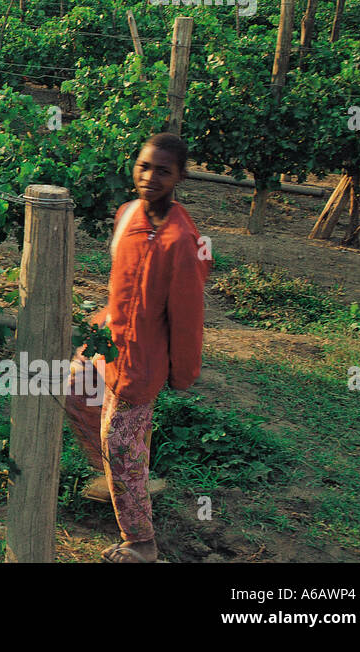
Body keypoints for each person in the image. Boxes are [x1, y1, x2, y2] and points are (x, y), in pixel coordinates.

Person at [64, 132, 211, 563]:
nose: (149, 177)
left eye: (162, 171)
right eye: (144, 166)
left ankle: (141, 543)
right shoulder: (127, 214)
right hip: (107, 342)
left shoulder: (183, 241)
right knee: (76, 394)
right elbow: (119, 285)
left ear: (179, 177)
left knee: (120, 443)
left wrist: (182, 374)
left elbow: (188, 319)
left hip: (140, 364)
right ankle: (122, 478)